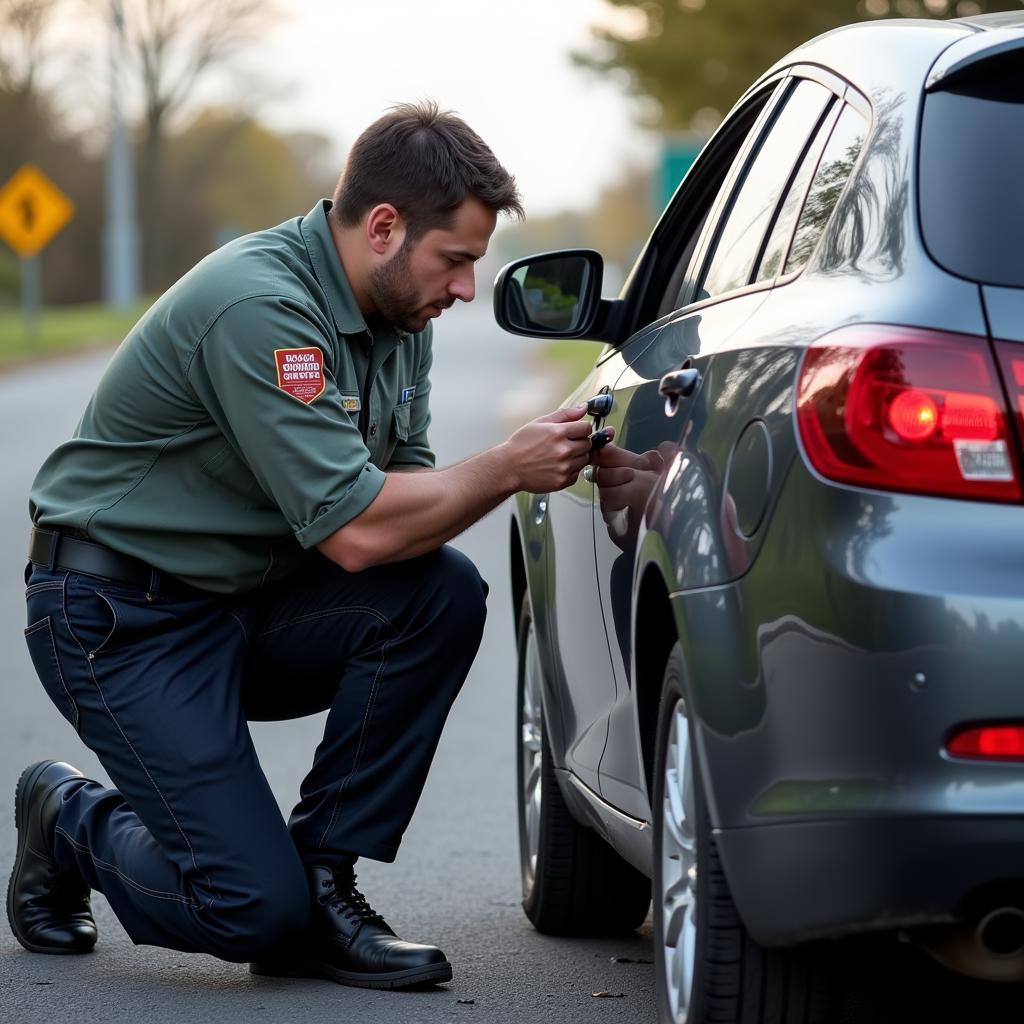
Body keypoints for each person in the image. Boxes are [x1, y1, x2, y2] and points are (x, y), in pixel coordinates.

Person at [9, 101, 599, 991]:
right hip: (120, 618)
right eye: (458, 261)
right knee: (248, 910)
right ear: (385, 227)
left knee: (441, 590)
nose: (467, 289)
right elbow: (361, 533)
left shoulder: (401, 322)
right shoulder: (260, 305)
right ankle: (65, 818)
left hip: (246, 602)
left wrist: (584, 460)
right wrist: (510, 466)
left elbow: (413, 509)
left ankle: (325, 878)